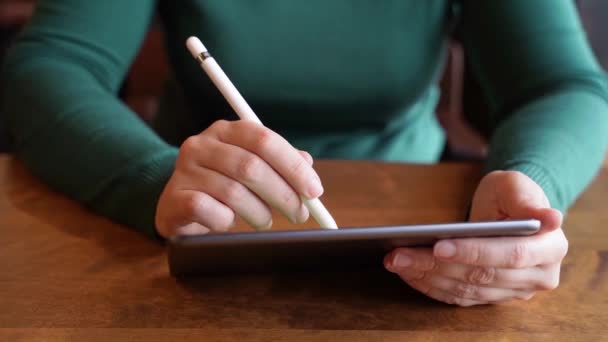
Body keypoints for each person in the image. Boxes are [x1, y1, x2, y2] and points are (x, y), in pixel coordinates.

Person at [1, 1, 606, 307]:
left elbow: (565, 85)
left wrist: (530, 187)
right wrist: (153, 177)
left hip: (415, 219)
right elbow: (51, 68)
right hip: (202, 216)